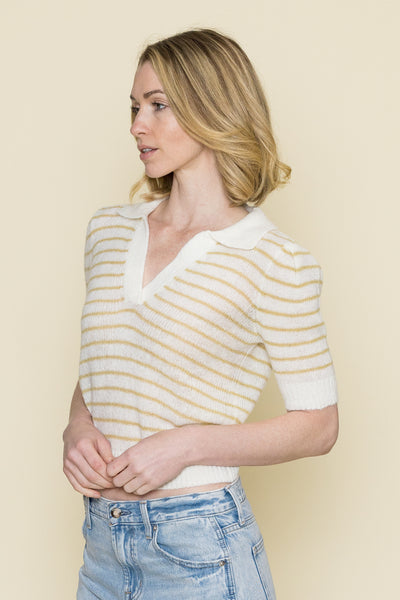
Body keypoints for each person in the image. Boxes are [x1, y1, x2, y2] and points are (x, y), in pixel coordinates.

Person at [63, 28, 339, 600]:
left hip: (200, 548)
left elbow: (319, 425)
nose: (137, 125)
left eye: (158, 105)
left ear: (212, 109)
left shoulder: (273, 261)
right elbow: (107, 364)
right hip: (102, 546)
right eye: (135, 107)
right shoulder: (107, 232)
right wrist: (79, 427)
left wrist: (187, 444)